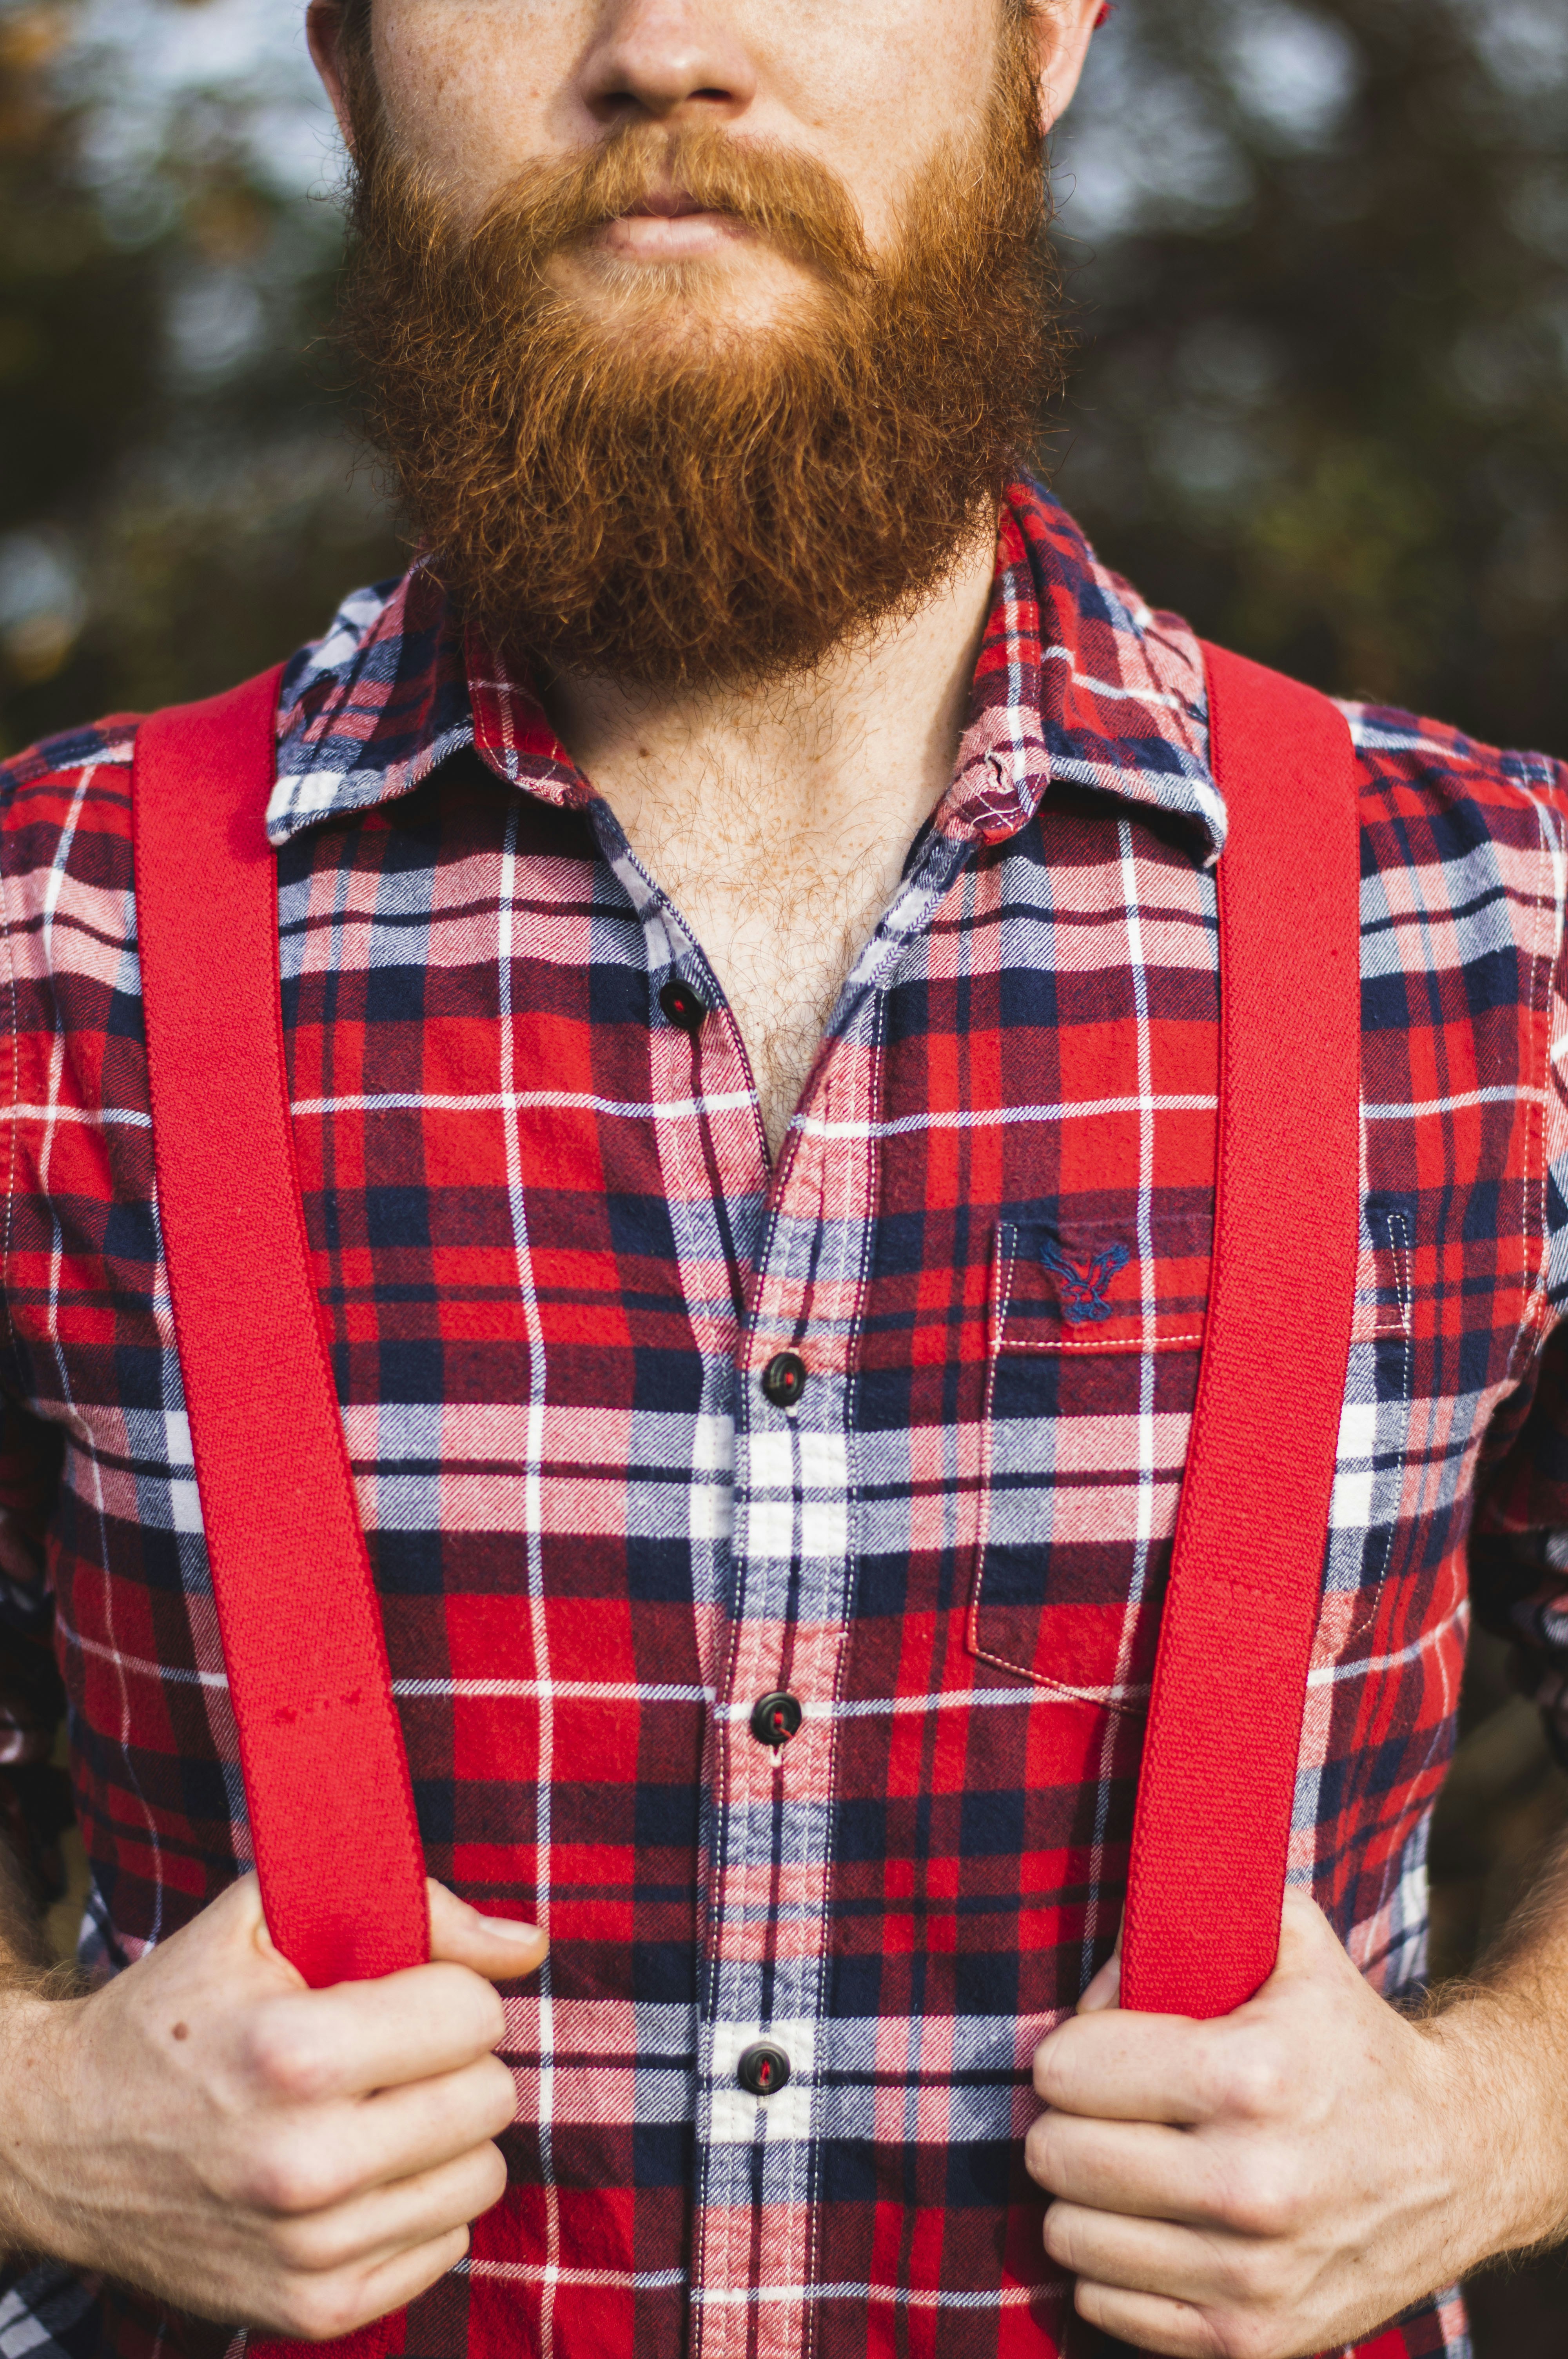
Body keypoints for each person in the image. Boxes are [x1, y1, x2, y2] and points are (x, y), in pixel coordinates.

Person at [0, 2, 1566, 2355]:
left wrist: (1494, 2124)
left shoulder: (1506, 929)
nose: (667, 47)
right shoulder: (46, 936)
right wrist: (38, 2123)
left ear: (1047, 35)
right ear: (339, 65)